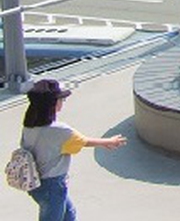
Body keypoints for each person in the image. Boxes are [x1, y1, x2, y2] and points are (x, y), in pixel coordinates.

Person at [17, 78, 125, 221]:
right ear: (53, 104)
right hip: (52, 185)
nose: (62, 102)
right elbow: (82, 141)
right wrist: (108, 141)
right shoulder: (58, 130)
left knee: (69, 214)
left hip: (35, 183)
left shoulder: (29, 126)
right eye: (61, 99)